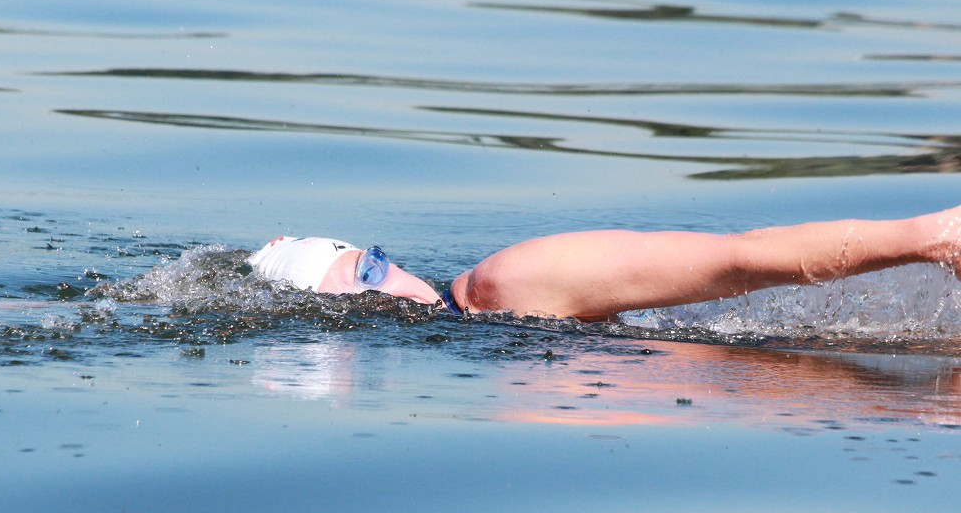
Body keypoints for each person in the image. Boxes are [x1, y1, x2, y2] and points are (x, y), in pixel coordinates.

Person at [246, 205, 961, 322]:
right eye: (367, 276)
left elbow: (736, 260)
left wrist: (928, 239)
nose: (391, 276)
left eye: (376, 260)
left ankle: (936, 236)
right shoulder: (478, 315)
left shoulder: (496, 285)